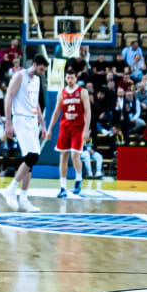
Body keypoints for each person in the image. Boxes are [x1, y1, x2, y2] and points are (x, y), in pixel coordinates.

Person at [0, 55, 50, 211]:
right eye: (41, 69)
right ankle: (10, 189)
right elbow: (8, 97)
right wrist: (8, 122)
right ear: (34, 64)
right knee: (32, 157)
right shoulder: (19, 76)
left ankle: (23, 198)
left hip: (32, 120)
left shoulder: (36, 80)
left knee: (31, 162)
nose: (42, 72)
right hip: (20, 119)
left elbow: (36, 105)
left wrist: (43, 126)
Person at [45, 66, 91, 198]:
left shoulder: (83, 92)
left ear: (76, 78)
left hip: (78, 128)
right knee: (63, 157)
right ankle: (63, 187)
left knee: (75, 156)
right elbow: (56, 112)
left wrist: (86, 130)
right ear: (65, 78)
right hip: (65, 128)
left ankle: (78, 179)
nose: (70, 79)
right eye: (68, 77)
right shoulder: (62, 92)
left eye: (72, 77)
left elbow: (88, 112)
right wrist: (49, 130)